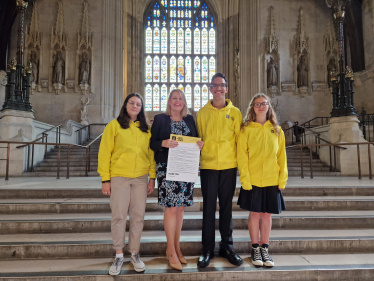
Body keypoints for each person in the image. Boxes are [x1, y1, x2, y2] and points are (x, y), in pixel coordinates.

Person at [98, 93, 156, 275]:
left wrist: (152, 177)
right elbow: (104, 153)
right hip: (119, 177)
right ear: (125, 105)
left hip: (140, 178)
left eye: (138, 104)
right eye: (132, 103)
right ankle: (118, 255)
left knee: (138, 217)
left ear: (141, 109)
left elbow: (151, 155)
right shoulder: (113, 126)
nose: (135, 106)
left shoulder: (146, 130)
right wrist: (105, 179)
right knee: (119, 216)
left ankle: (134, 253)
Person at [150, 89, 204, 271]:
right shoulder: (160, 119)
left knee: (180, 208)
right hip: (167, 168)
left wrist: (199, 145)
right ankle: (170, 250)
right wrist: (163, 143)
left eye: (180, 98)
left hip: (186, 169)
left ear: (184, 101)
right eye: (174, 98)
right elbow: (152, 144)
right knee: (171, 208)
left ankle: (177, 246)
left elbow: (195, 141)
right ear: (169, 101)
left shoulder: (190, 120)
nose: (177, 101)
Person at [196, 73, 243, 268]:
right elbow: (197, 138)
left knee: (226, 208)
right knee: (208, 208)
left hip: (229, 166)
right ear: (210, 88)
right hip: (208, 166)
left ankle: (227, 247)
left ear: (226, 89)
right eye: (214, 85)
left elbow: (239, 141)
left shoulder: (236, 113)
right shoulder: (201, 113)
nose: (218, 88)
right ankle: (207, 249)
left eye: (221, 85)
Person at [237, 93, 288, 267]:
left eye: (264, 104)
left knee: (266, 215)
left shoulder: (276, 129)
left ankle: (265, 248)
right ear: (252, 107)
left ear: (268, 107)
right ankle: (255, 249)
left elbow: (282, 157)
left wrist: (283, 179)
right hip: (253, 179)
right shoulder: (245, 129)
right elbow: (242, 157)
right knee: (254, 214)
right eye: (257, 104)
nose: (261, 106)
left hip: (272, 178)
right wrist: (245, 179)